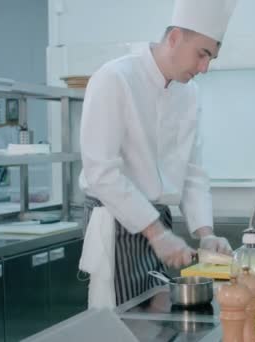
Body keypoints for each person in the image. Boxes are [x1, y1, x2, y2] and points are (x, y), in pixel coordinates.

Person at [79, 0, 236, 305]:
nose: (205, 68)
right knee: (124, 324)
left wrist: (206, 233)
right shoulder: (115, 79)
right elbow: (102, 173)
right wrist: (155, 233)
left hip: (159, 223)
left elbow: (191, 170)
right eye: (202, 54)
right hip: (116, 225)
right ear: (174, 38)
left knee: (157, 321)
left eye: (211, 58)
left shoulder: (189, 92)